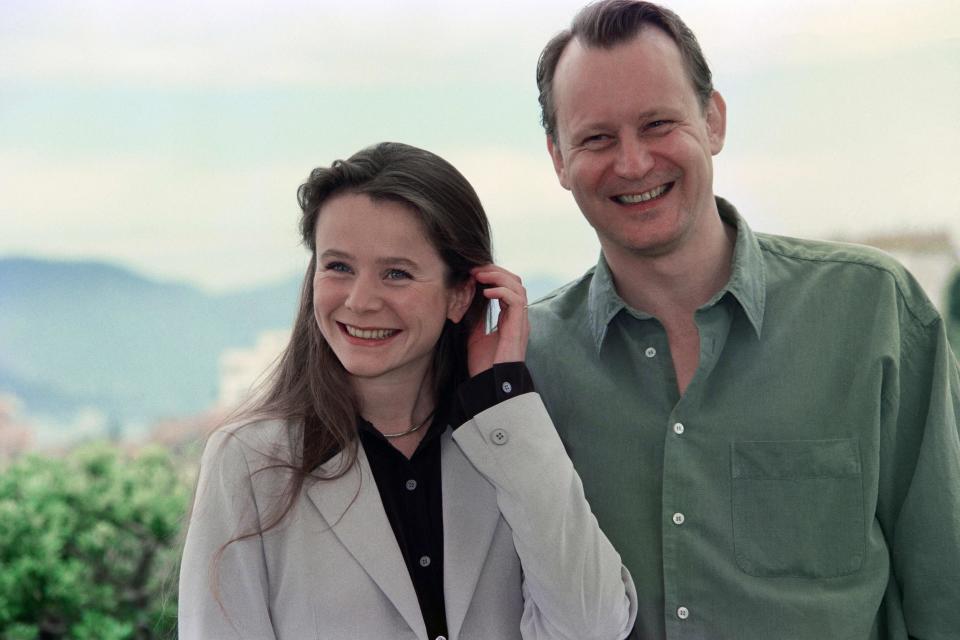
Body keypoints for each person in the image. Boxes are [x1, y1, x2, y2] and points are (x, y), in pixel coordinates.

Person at [526, 1, 960, 638]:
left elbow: (946, 583)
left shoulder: (873, 312)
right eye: (596, 138)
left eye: (657, 123)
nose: (634, 162)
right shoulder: (527, 362)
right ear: (558, 158)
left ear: (713, 120)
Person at [178, 142, 637, 640]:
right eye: (338, 267)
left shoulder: (510, 447)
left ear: (461, 294)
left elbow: (594, 626)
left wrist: (504, 400)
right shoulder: (249, 461)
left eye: (395, 273)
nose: (360, 301)